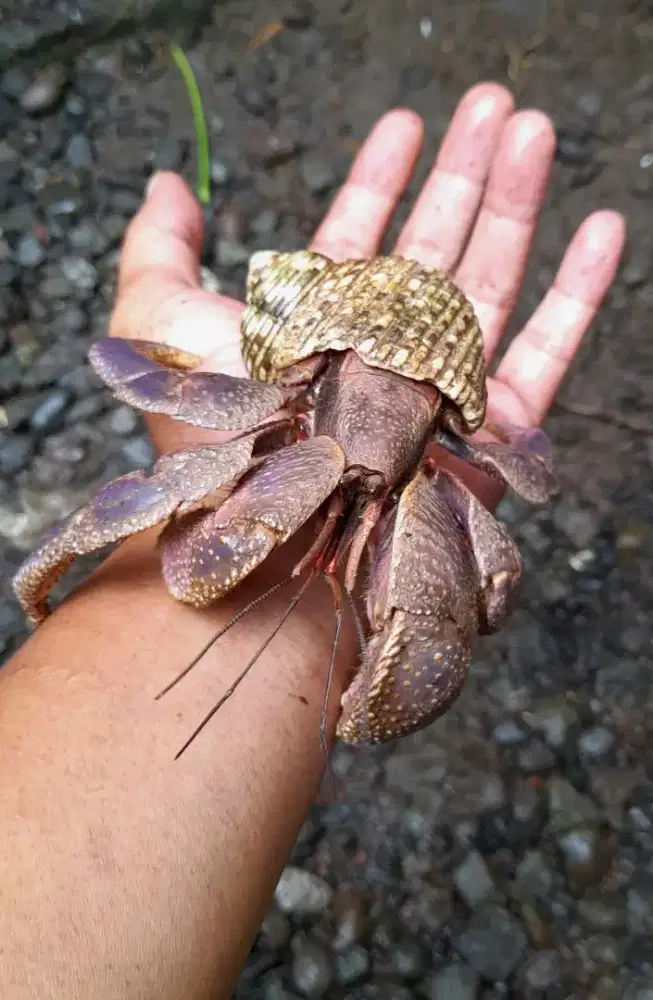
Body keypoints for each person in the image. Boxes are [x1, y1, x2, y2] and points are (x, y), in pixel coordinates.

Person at [0, 83, 625, 999]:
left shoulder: (432, 469)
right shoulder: (301, 403)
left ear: (443, 442)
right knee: (181, 487)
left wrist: (498, 497)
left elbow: (498, 555)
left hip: (386, 405)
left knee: (450, 594)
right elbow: (150, 383)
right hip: (329, 365)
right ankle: (50, 568)